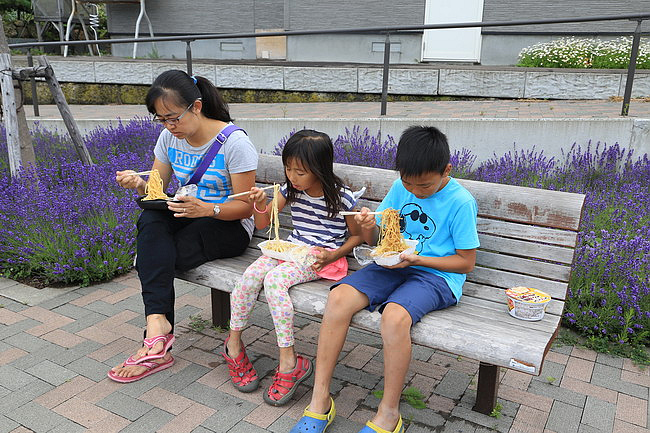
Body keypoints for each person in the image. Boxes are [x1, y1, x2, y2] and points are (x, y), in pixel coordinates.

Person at [290, 125, 480, 433]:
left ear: (447, 169)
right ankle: (320, 400)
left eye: (425, 186)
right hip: (394, 264)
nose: (415, 191)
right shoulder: (400, 187)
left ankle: (389, 413)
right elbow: (375, 238)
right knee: (337, 299)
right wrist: (365, 225)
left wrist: (418, 259)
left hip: (436, 275)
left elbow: (465, 263)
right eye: (408, 182)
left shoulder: (460, 202)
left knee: (393, 317)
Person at [109, 70, 257, 383]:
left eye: (173, 118)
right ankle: (158, 325)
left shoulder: (234, 142)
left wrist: (208, 208)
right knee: (150, 219)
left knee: (154, 256)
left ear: (197, 107)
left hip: (227, 223)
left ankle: (155, 344)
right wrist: (139, 184)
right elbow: (157, 191)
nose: (168, 127)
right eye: (160, 120)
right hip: (185, 213)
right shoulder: (168, 139)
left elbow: (246, 207)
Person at [223, 129, 363, 406]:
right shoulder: (288, 190)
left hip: (319, 258)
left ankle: (289, 361)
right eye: (288, 169)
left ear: (320, 168)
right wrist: (260, 205)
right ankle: (233, 345)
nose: (292, 177)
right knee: (250, 275)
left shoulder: (342, 197)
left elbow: (357, 237)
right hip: (292, 250)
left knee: (274, 282)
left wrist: (334, 255)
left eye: (300, 172)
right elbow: (263, 225)